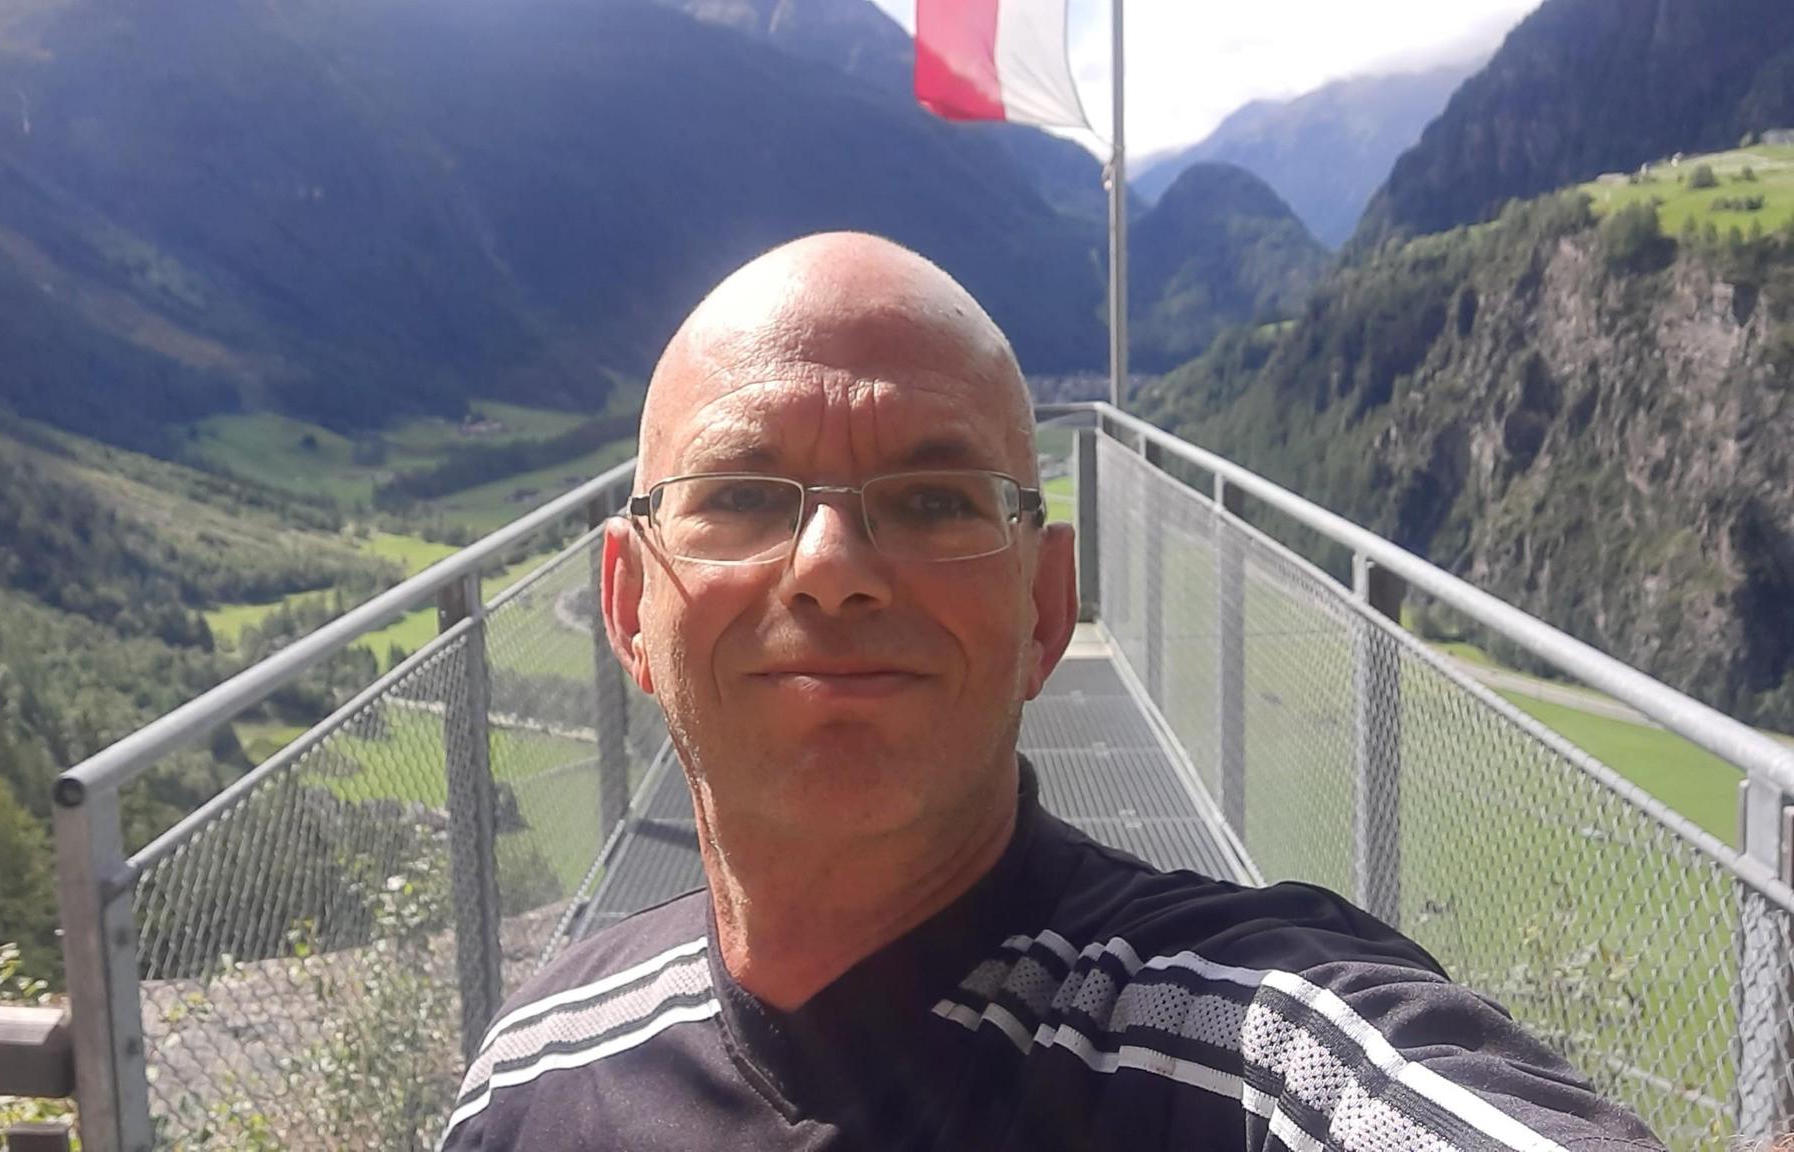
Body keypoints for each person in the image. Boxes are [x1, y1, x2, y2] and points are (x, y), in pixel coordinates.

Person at [440, 234, 1663, 1151]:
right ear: (627, 606)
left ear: (1044, 606)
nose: (830, 568)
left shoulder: (1256, 1048)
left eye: (933, 501)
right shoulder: (530, 1080)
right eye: (742, 497)